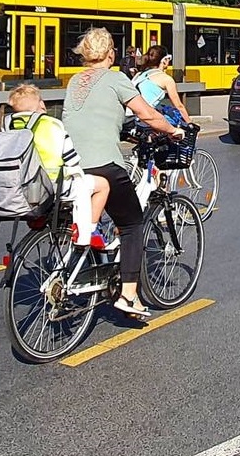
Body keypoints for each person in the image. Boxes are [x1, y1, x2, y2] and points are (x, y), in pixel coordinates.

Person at [62, 28, 185, 319]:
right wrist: (173, 130)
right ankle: (128, 296)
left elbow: (92, 119)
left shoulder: (74, 81)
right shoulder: (116, 79)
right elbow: (148, 114)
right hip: (102, 164)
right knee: (132, 224)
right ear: (110, 53)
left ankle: (92, 263)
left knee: (96, 214)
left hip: (70, 166)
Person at [6, 84, 109, 250]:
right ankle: (87, 233)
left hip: (21, 187)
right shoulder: (51, 124)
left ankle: (40, 218)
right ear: (41, 104)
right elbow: (71, 159)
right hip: (53, 186)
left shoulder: (9, 125)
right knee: (100, 185)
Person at [132, 45, 192, 124]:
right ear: (164, 61)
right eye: (169, 59)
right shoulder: (166, 79)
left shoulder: (139, 75)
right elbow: (179, 106)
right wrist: (189, 123)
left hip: (131, 116)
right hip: (144, 119)